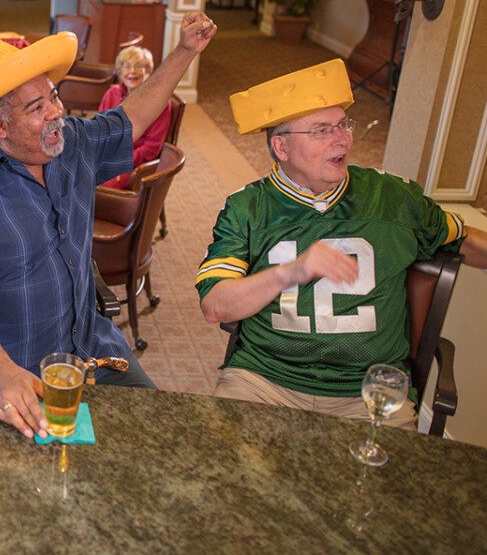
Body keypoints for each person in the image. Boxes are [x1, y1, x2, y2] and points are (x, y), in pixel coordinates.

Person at [0, 12, 217, 438]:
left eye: (53, 96)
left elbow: (130, 119)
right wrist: (0, 370)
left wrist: (184, 52)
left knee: (161, 431)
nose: (57, 112)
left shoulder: (70, 142)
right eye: (37, 107)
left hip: (83, 346)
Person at [196, 59, 487, 426]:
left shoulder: (393, 197)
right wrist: (291, 272)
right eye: (321, 130)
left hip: (369, 392)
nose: (343, 139)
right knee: (224, 471)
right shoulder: (246, 207)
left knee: (390, 482)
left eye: (343, 124)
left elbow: (462, 240)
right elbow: (215, 307)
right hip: (263, 382)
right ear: (281, 147)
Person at [98, 45, 172, 189]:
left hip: (135, 164)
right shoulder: (112, 94)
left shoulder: (159, 102)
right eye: (127, 66)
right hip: (107, 156)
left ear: (148, 71)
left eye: (139, 66)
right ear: (120, 71)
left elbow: (152, 148)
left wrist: (119, 161)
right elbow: (100, 130)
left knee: (97, 190)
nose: (132, 71)